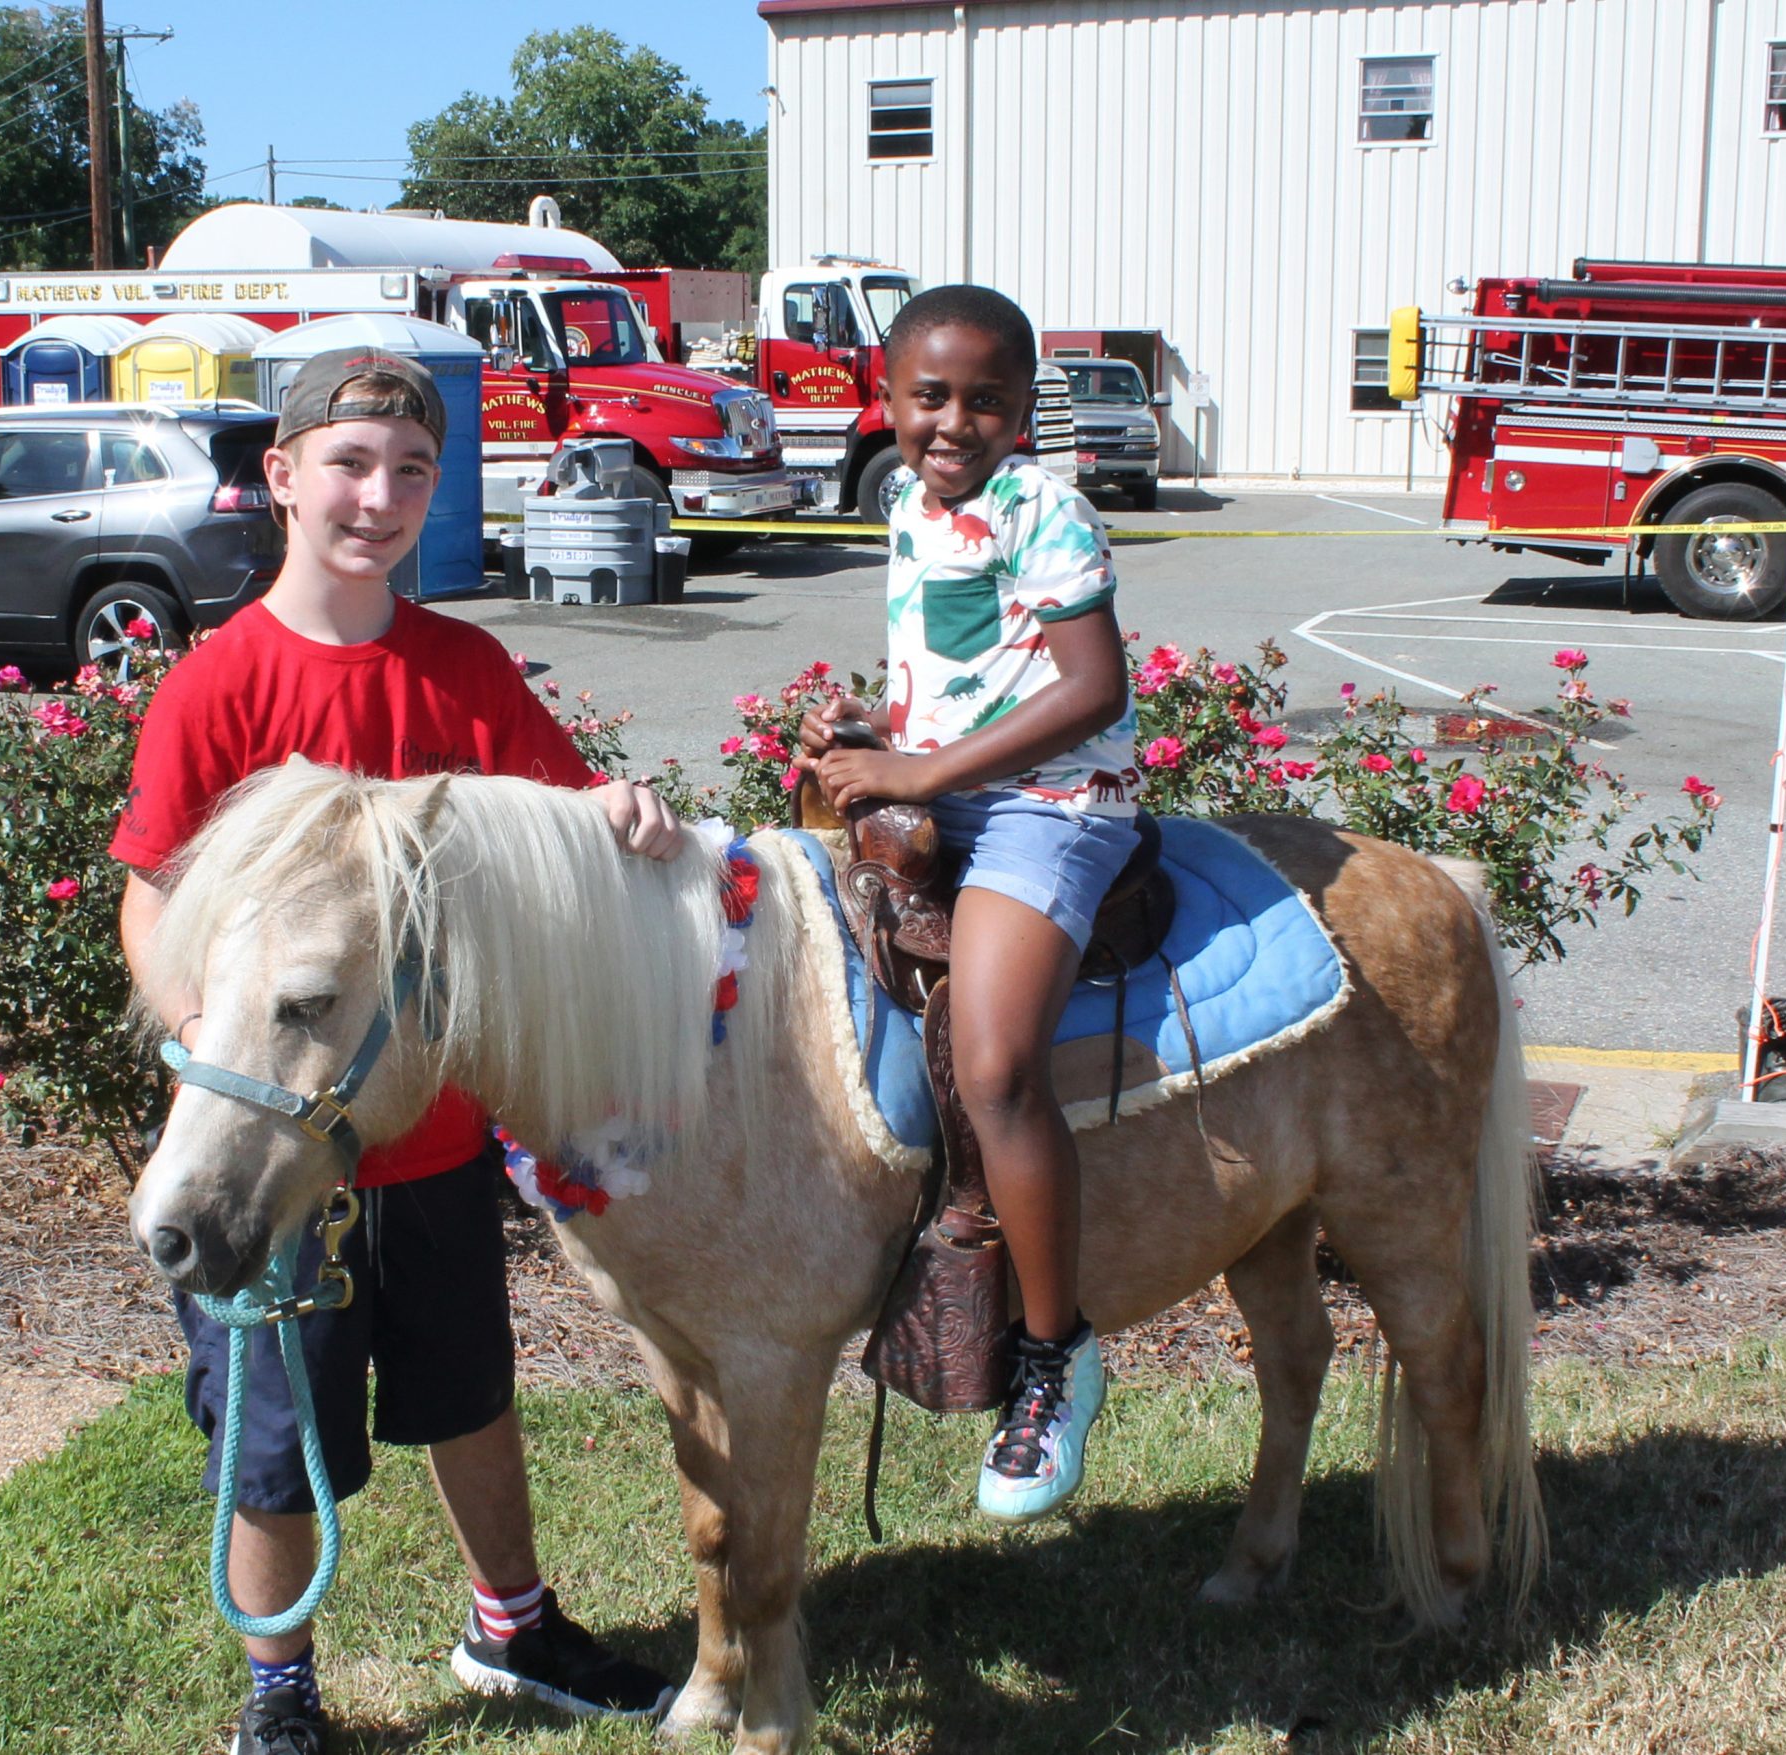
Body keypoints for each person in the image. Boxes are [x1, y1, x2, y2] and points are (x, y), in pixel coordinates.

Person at [111, 344, 685, 1755]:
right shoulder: (220, 686)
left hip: (428, 1134)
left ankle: (514, 1624)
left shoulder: (465, 669)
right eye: (350, 464)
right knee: (274, 1437)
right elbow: (149, 894)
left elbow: (566, 819)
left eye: (411, 470)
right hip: (277, 1148)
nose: (378, 495)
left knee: (469, 1394)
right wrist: (211, 1043)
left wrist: (629, 813)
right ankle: (280, 1694)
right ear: (284, 477)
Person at [798, 285, 1136, 1524]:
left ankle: (1055, 1356)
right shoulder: (905, 502)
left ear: (1023, 410)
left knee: (993, 1067)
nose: (955, 423)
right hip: (952, 785)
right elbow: (966, 672)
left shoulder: (1044, 507)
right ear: (882, 400)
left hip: (1052, 807)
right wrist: (875, 729)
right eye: (929, 397)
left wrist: (916, 772)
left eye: (986, 401)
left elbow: (1089, 688)